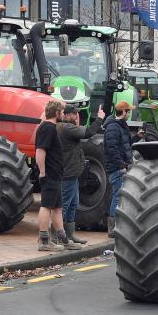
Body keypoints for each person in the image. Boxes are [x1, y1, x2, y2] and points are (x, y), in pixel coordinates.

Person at [35, 100, 81, 252]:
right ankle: (44, 241)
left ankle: (64, 239)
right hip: (49, 174)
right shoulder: (47, 128)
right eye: (61, 112)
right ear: (56, 113)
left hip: (56, 174)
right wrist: (42, 172)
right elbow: (40, 151)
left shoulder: (51, 128)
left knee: (57, 208)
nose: (63, 114)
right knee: (46, 206)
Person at [57, 105, 100, 245]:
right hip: (68, 173)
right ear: (67, 115)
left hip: (72, 174)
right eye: (75, 114)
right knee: (64, 204)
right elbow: (89, 132)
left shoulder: (67, 128)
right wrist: (99, 118)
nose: (77, 116)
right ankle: (58, 236)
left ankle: (69, 235)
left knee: (73, 203)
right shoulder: (66, 128)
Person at [103, 101, 141, 238]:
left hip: (122, 166)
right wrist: (121, 165)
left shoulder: (121, 125)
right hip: (117, 168)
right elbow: (111, 149)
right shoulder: (113, 127)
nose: (129, 114)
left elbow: (125, 144)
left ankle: (118, 226)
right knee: (117, 196)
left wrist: (137, 137)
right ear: (123, 112)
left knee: (120, 196)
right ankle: (113, 228)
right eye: (128, 111)